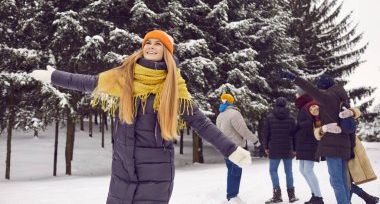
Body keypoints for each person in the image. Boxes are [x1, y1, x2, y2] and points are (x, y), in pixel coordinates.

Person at [30, 30, 252, 204]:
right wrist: (54, 76)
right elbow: (87, 82)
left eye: (158, 44)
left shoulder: (174, 88)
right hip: (122, 169)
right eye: (148, 42)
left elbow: (200, 122)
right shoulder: (124, 77)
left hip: (156, 173)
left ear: (167, 52)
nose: (151, 46)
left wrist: (231, 150)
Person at [280, 71, 352, 204]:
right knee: (342, 180)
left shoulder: (328, 97)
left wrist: (294, 78)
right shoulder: (341, 98)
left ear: (323, 88)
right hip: (344, 143)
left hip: (332, 145)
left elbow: (310, 89)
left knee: (336, 182)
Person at [216, 93, 260, 203]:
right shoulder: (234, 114)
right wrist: (255, 141)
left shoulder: (220, 115)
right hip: (235, 147)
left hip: (225, 147)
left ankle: (231, 195)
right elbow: (243, 131)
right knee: (235, 172)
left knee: (231, 171)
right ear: (231, 101)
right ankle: (232, 196)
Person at [263, 97, 299, 204]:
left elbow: (266, 134)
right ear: (285, 105)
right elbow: (295, 135)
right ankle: (291, 195)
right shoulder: (291, 118)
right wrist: (295, 149)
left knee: (273, 170)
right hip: (288, 148)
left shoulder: (269, 117)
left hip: (274, 149)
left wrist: (265, 147)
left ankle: (277, 195)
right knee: (288, 171)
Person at [294, 87, 324, 204]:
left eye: (297, 94)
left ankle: (319, 198)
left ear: (302, 95)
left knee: (308, 170)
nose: (295, 96)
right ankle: (314, 195)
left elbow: (315, 122)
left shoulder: (311, 105)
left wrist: (298, 126)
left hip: (310, 142)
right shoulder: (303, 107)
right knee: (302, 170)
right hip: (304, 142)